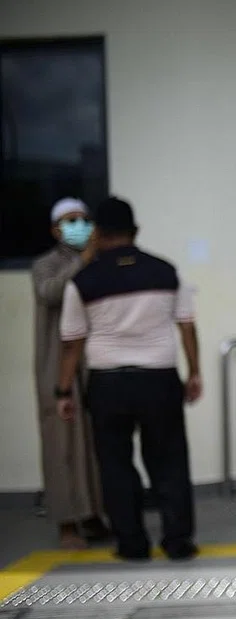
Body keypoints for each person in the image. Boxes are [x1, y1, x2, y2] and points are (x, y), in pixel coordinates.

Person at [56, 196, 202, 562]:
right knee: (169, 462)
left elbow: (72, 344)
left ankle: (132, 544)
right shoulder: (166, 271)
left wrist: (63, 391)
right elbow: (187, 326)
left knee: (115, 465)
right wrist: (194, 372)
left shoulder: (82, 281)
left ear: (97, 233)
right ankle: (177, 541)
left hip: (108, 383)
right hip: (159, 378)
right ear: (135, 231)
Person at [31, 198, 109, 549]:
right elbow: (50, 293)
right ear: (55, 230)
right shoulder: (45, 265)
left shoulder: (99, 260)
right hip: (56, 364)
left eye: (84, 219)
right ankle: (66, 524)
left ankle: (93, 516)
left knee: (93, 442)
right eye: (70, 220)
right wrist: (83, 261)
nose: (79, 226)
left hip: (92, 361)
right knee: (61, 444)